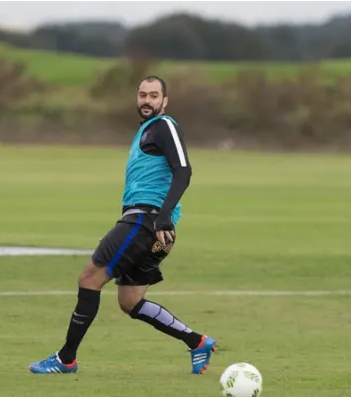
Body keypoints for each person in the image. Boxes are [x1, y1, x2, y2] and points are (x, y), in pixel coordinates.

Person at [28, 75, 217, 375]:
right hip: (153, 225)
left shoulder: (165, 125)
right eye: (142, 94)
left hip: (145, 221)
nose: (147, 100)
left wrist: (164, 215)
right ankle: (197, 342)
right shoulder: (146, 130)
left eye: (154, 95)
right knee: (130, 301)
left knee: (90, 278)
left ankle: (66, 359)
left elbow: (184, 170)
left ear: (164, 101)